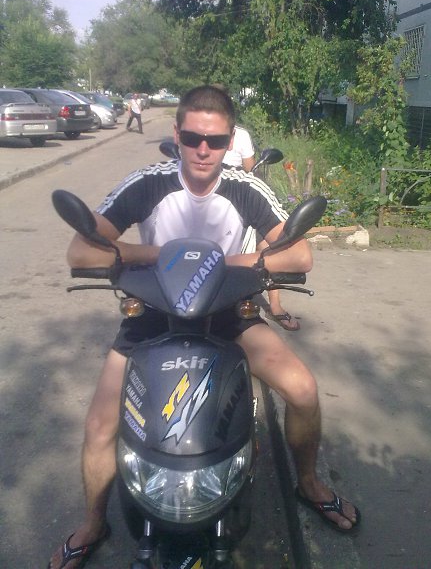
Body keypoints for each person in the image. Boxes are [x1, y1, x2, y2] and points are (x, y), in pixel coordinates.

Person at [48, 85, 360, 569]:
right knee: (100, 424)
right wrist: (166, 256)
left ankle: (308, 483)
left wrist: (211, 263)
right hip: (153, 316)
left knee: (302, 390)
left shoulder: (245, 187)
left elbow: (299, 254)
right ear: (177, 135)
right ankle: (93, 521)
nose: (202, 150)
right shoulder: (147, 183)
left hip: (230, 313)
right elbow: (82, 249)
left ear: (229, 141)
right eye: (192, 137)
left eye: (214, 141)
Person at [223, 124, 300, 331]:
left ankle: (275, 306)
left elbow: (250, 169)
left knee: (269, 246)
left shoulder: (241, 135)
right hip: (209, 195)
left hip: (238, 193)